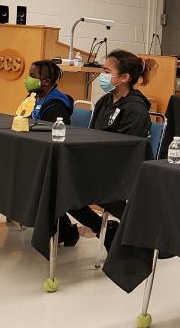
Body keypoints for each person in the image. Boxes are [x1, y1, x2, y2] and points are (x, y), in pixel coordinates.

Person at [59, 49, 156, 248]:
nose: (101, 75)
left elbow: (125, 150)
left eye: (106, 71)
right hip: (98, 164)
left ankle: (112, 230)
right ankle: (100, 228)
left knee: (66, 186)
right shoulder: (105, 101)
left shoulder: (136, 109)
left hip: (120, 172)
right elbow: (92, 134)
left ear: (124, 77)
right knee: (57, 182)